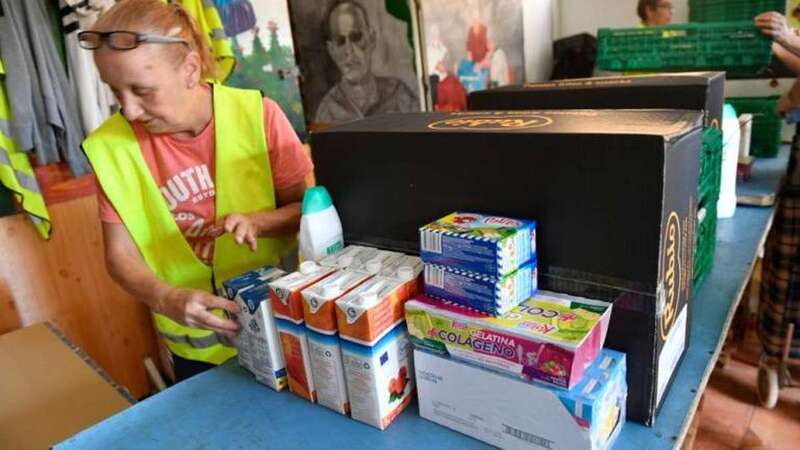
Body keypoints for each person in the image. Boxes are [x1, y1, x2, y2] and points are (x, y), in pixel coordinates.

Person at [79, 0, 313, 382]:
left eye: (142, 90)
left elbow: (307, 210)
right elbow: (119, 255)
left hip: (282, 328)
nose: (130, 110)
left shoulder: (260, 115)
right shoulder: (109, 148)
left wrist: (261, 221)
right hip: (196, 354)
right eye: (115, 91)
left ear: (190, 70)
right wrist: (165, 297)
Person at [314, 0, 418, 125]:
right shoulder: (327, 112)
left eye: (356, 37)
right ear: (331, 50)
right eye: (340, 41)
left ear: (372, 38)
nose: (349, 51)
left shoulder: (400, 96)